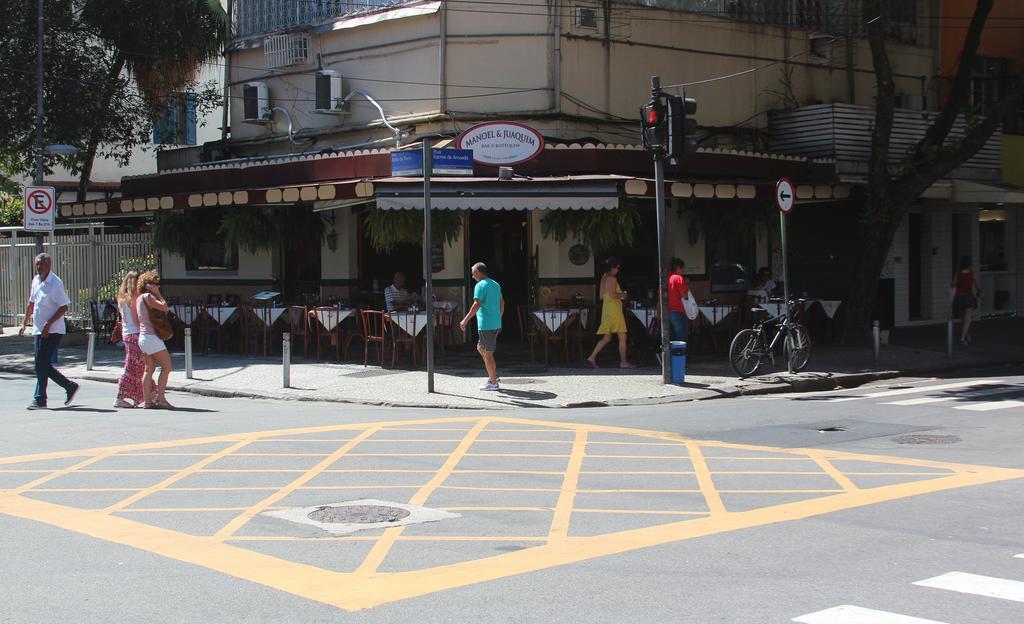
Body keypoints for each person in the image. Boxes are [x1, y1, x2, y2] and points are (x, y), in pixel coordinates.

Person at [20, 253, 79, 410]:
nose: (39, 267)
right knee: (42, 364)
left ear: (49, 265)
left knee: (41, 364)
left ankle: (41, 399)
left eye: (42, 264)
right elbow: (31, 303)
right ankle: (68, 386)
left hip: (53, 331)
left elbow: (64, 306)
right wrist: (25, 323)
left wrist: (48, 325)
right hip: (39, 330)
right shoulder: (36, 280)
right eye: (37, 264)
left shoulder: (55, 283)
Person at [460, 262, 504, 391]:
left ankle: (493, 382)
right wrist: (498, 317)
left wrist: (465, 320)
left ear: (478, 272)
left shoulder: (480, 285)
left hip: (486, 325)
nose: (472, 276)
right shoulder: (495, 284)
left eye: (473, 273)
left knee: (488, 353)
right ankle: (493, 374)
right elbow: (502, 302)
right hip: (495, 324)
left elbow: (476, 305)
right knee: (480, 347)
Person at [585, 257, 635, 369]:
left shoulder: (603, 278)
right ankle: (623, 362)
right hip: (614, 310)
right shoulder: (612, 279)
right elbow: (613, 295)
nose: (618, 269)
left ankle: (591, 358)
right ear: (612, 267)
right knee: (622, 337)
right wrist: (623, 294)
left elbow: (601, 296)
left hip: (606, 309)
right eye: (617, 267)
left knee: (607, 338)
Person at [113, 271, 154, 408]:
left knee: (138, 366)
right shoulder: (135, 298)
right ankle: (121, 396)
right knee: (135, 366)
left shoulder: (122, 298)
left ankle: (144, 395)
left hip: (127, 334)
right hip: (136, 333)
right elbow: (137, 321)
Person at [135, 271, 174, 409]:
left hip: (144, 337)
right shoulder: (148, 296)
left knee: (149, 369)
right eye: (155, 284)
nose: (158, 286)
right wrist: (157, 293)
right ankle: (161, 399)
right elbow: (165, 307)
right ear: (148, 285)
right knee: (167, 367)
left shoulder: (139, 298)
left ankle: (148, 402)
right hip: (152, 337)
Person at [952, 256, 981, 345]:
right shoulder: (972, 274)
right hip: (968, 297)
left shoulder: (958, 274)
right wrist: (979, 292)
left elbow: (953, 285)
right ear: (969, 264)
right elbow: (977, 285)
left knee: (963, 318)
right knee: (967, 318)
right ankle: (962, 338)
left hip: (959, 297)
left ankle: (966, 335)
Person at [667, 257, 690, 342]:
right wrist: (686, 284)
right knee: (681, 338)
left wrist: (658, 312)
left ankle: (671, 355)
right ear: (678, 268)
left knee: (671, 337)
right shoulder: (678, 278)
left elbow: (659, 296)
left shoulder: (665, 278)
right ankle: (679, 355)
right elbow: (685, 296)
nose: (682, 271)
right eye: (682, 269)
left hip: (666, 311)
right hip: (678, 311)